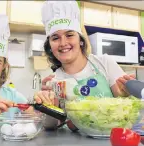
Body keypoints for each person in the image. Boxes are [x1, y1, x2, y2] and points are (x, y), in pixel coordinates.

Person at [34, 1, 136, 130]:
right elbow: (50, 126)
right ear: (50, 46)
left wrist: (124, 95)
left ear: (80, 40)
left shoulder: (105, 63)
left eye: (70, 35)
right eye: (55, 38)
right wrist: (47, 106)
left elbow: (127, 111)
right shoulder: (53, 81)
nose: (63, 43)